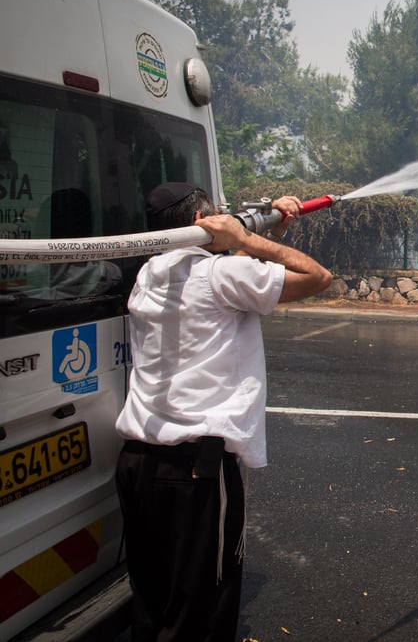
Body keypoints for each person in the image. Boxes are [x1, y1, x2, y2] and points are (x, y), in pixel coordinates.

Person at [114, 182, 332, 641]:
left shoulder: (148, 274)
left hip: (138, 465)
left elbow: (224, 278)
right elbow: (317, 277)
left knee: (152, 607)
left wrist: (264, 232)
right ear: (202, 224)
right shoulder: (221, 276)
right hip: (196, 473)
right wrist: (250, 241)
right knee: (200, 614)